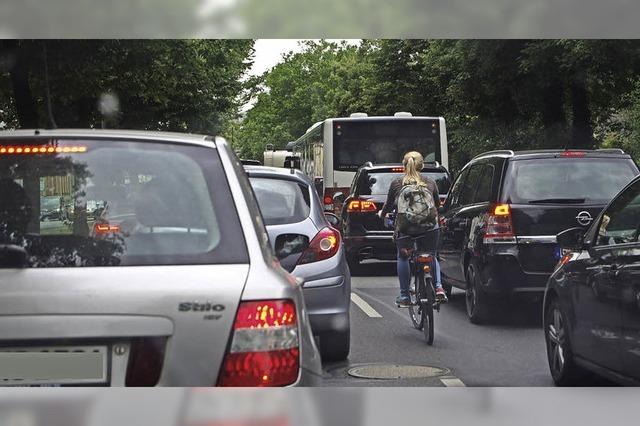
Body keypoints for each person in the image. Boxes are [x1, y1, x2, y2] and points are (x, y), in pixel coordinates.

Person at [377, 151, 446, 307]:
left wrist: (382, 215)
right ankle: (439, 287)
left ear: (403, 165)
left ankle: (404, 296)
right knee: (432, 254)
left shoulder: (396, 184)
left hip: (406, 229)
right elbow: (437, 207)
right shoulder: (430, 183)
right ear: (422, 166)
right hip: (430, 229)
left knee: (403, 257)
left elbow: (387, 206)